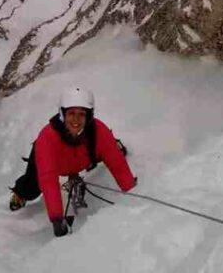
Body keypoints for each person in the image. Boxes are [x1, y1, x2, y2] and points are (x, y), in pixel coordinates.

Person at [9, 86, 137, 237]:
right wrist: (57, 219)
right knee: (32, 186)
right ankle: (20, 194)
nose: (76, 120)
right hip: (52, 161)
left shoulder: (98, 131)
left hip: (82, 157)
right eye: (71, 113)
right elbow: (48, 179)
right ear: (62, 114)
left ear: (89, 116)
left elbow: (117, 163)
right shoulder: (47, 138)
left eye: (82, 114)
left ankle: (111, 146)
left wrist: (131, 190)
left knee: (110, 151)